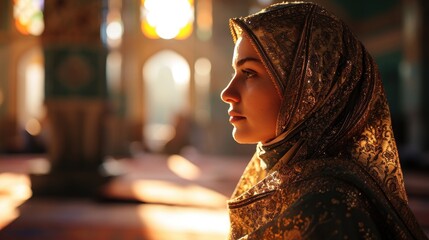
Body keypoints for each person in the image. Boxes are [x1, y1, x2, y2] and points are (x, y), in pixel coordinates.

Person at [220, 2, 428, 239]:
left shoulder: (329, 211)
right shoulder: (282, 177)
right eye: (235, 72)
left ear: (310, 89)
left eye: (249, 73)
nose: (227, 93)